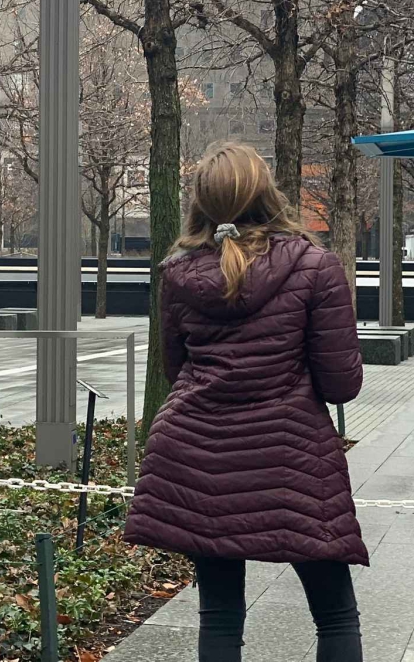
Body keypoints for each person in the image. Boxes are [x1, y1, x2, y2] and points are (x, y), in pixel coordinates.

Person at [124, 142, 365, 662]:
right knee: (335, 615)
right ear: (267, 194)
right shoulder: (316, 265)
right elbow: (341, 385)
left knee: (219, 615)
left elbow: (176, 369)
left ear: (202, 202)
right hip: (291, 457)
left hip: (198, 456)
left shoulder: (177, 274)